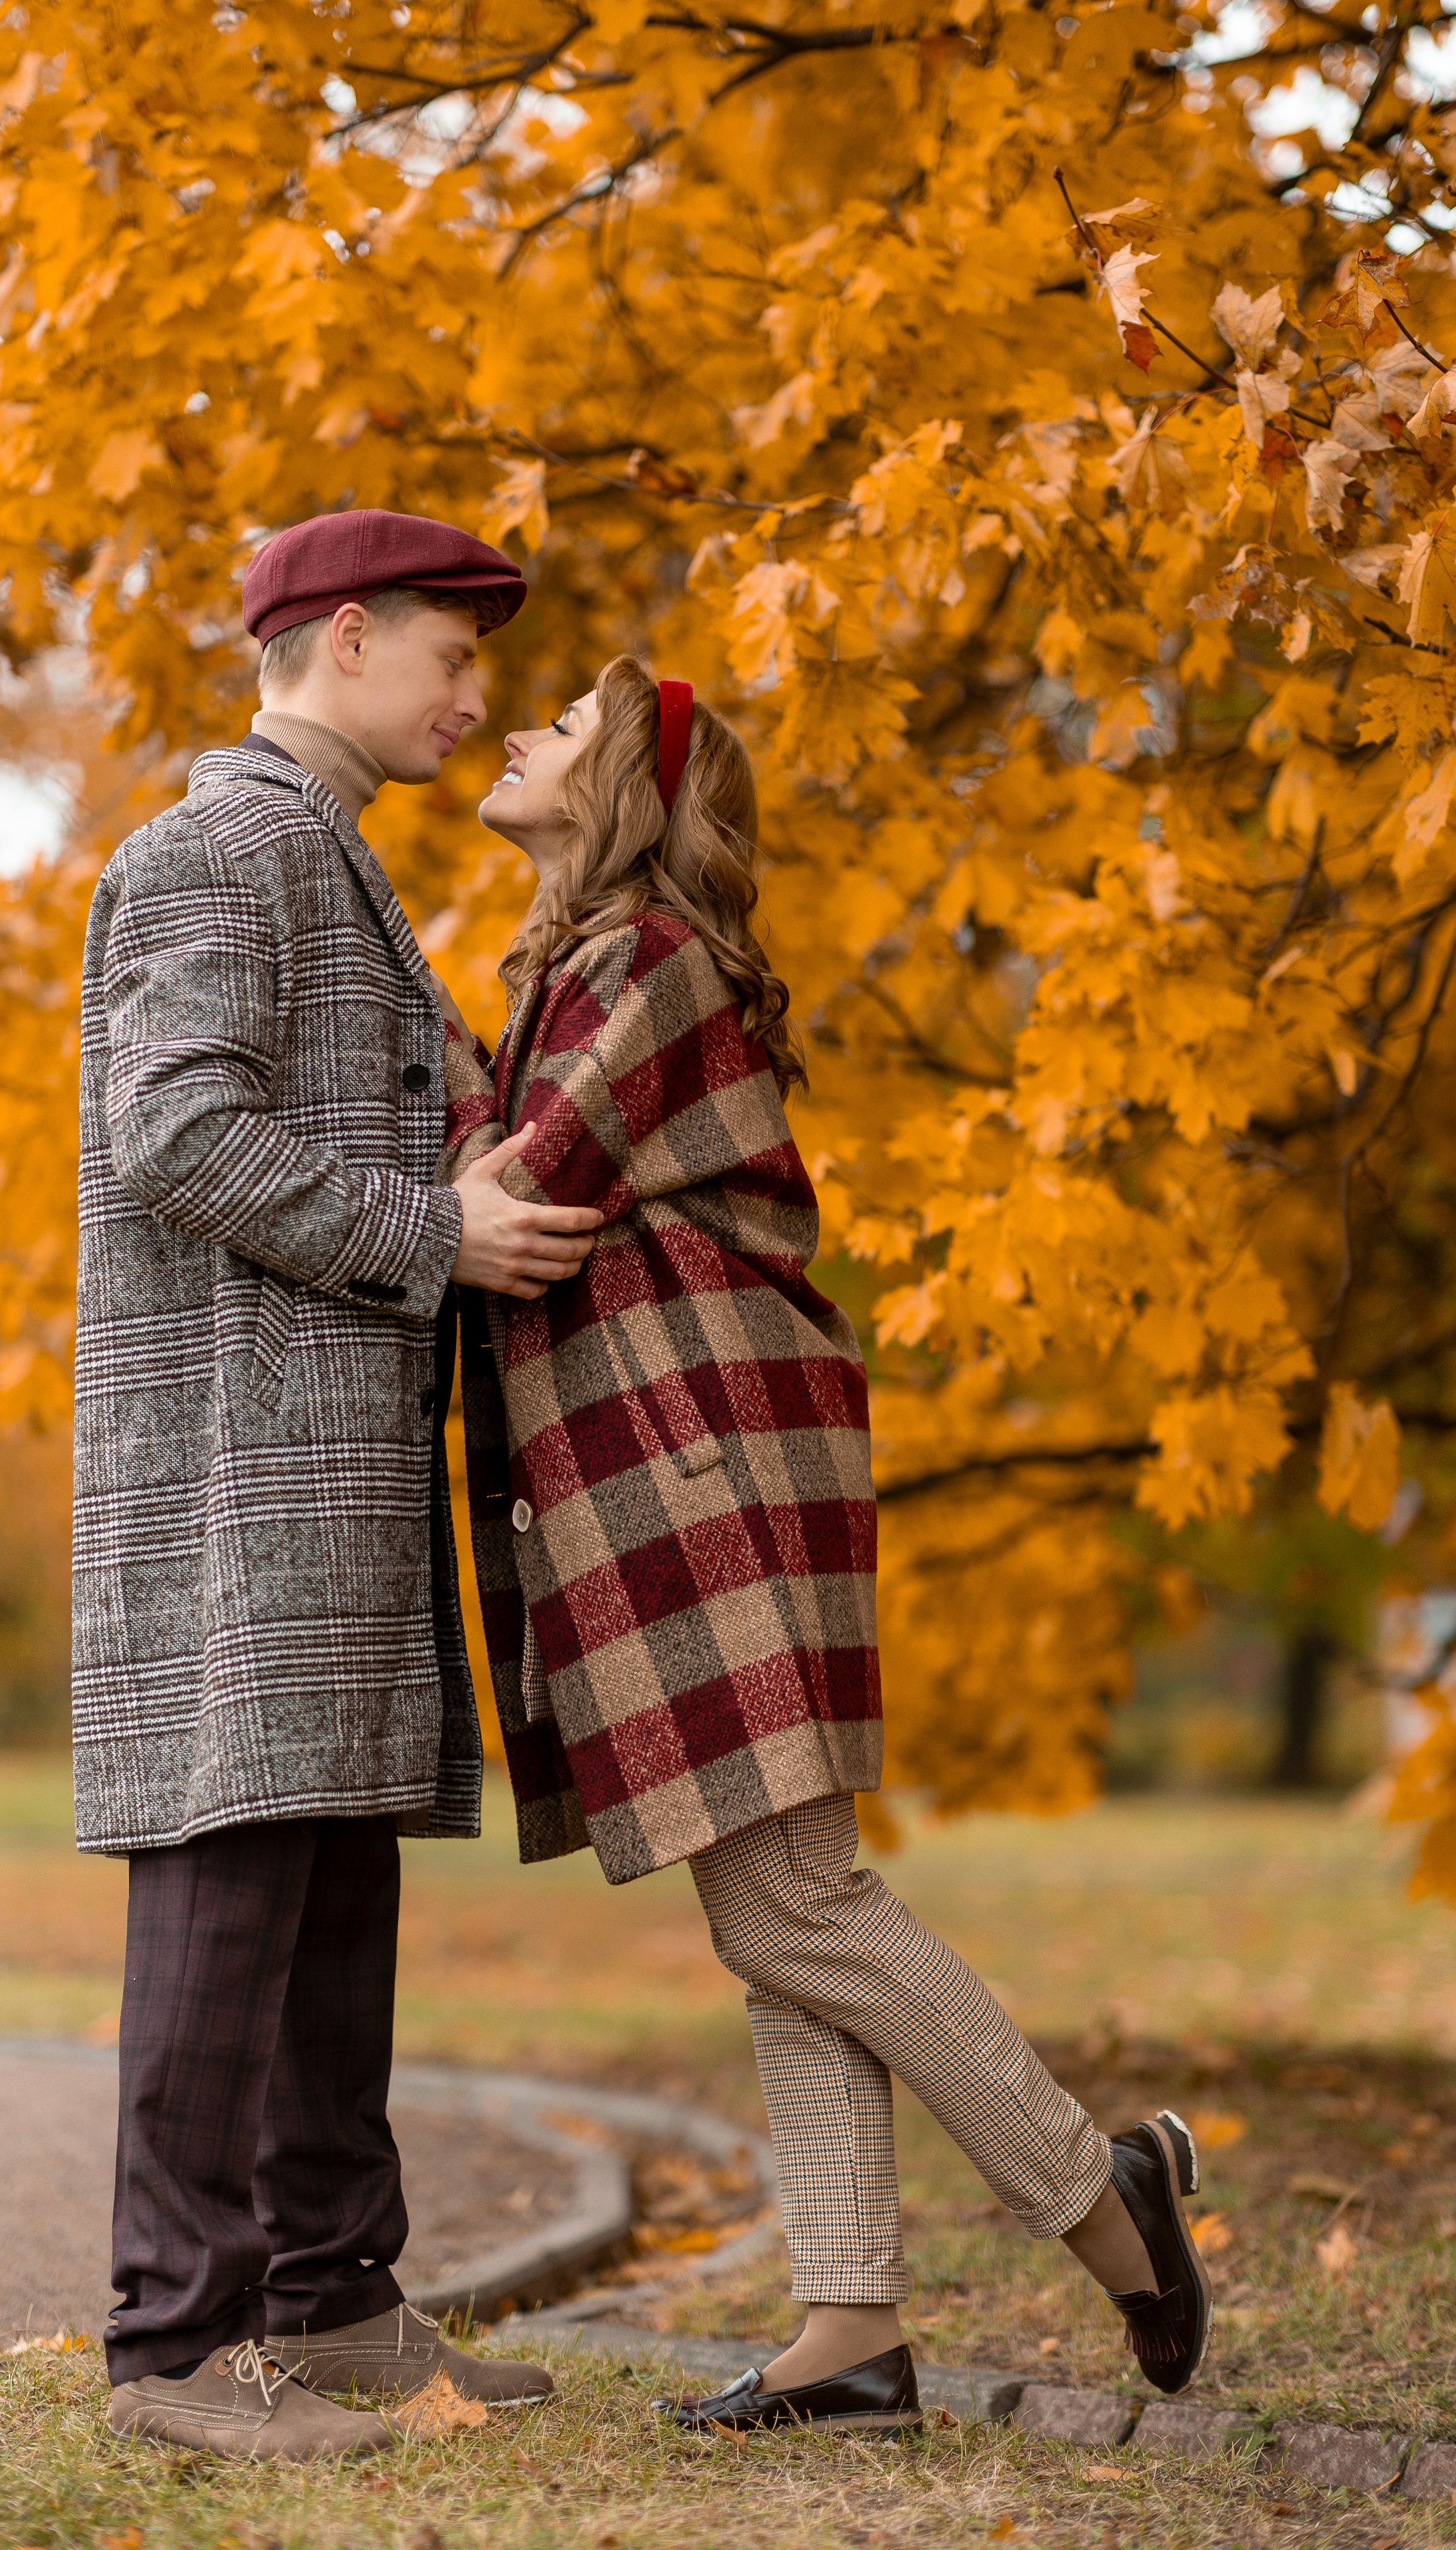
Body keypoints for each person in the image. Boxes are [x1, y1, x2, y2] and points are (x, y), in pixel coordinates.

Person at [438, 656, 1212, 2440]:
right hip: (673, 1461)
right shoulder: (570, 969)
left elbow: (527, 1196)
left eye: (559, 722)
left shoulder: (647, 964)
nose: (519, 731)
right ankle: (849, 2328)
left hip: (699, 1464)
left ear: (625, 786)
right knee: (774, 1910)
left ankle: (1109, 2200)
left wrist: (411, 1154)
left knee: (799, 1905)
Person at [74, 509, 604, 2462]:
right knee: (233, 1879)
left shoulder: (325, 856)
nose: (477, 699)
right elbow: (175, 1129)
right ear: (346, 634)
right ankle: (174, 2351)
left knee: (330, 1873)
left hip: (328, 1461)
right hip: (237, 1467)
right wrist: (430, 1234)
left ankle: (334, 2304)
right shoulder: (223, 845)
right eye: (455, 658)